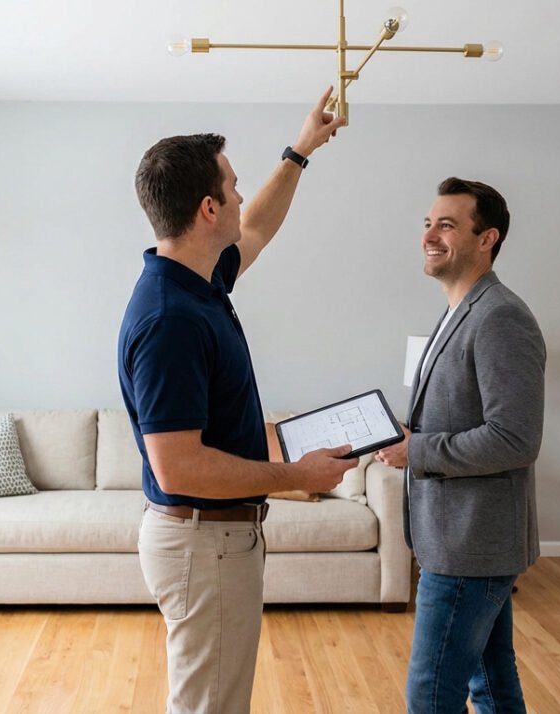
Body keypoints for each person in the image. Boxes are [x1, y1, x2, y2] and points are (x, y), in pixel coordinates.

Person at [117, 87, 355, 714]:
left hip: (214, 542)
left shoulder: (195, 279)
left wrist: (301, 149)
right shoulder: (171, 318)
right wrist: (295, 475)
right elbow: (180, 466)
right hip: (204, 544)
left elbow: (258, 227)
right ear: (206, 208)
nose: (241, 196)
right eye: (233, 185)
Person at [375, 177, 545, 714]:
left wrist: (417, 450)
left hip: (470, 545)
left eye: (447, 224)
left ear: (486, 238)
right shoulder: (458, 310)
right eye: (428, 223)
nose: (430, 234)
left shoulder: (501, 317)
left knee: (429, 696)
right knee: (492, 687)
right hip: (454, 539)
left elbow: (515, 438)